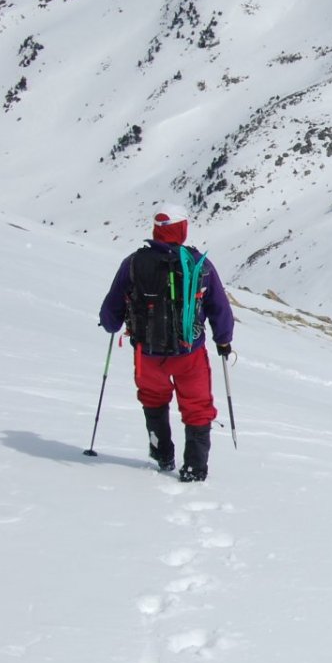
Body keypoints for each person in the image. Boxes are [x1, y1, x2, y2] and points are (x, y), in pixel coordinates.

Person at [99, 204, 234, 482]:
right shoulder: (198, 265)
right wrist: (223, 340)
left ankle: (162, 454)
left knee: (153, 401)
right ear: (182, 229)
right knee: (197, 407)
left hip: (147, 354)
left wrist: (112, 325)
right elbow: (219, 307)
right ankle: (194, 468)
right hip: (189, 354)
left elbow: (111, 310)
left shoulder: (133, 263)